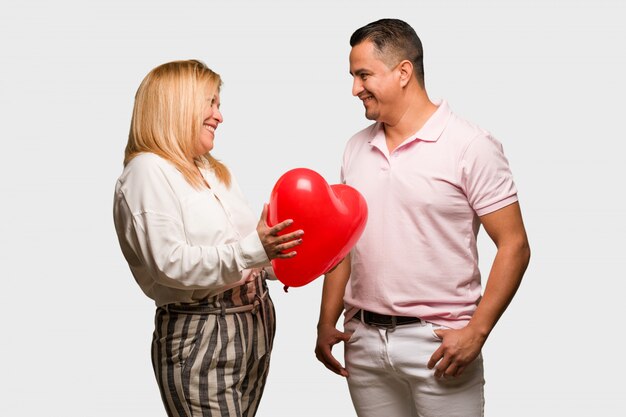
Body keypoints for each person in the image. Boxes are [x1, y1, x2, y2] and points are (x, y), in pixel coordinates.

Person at [315, 19, 531, 417]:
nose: (354, 89)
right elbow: (343, 244)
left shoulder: (471, 146)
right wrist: (325, 322)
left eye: (363, 75)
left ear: (403, 73)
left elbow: (514, 245)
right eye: (352, 76)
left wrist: (476, 332)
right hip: (363, 342)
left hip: (439, 344)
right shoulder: (354, 148)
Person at [113, 59, 303, 417]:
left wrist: (293, 254)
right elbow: (170, 264)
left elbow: (250, 248)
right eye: (211, 103)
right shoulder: (146, 172)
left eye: (219, 104)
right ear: (179, 104)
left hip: (253, 324)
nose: (219, 116)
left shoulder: (211, 170)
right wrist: (256, 251)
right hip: (202, 333)